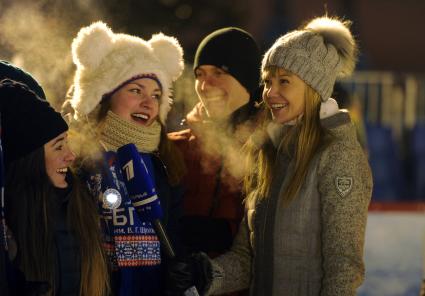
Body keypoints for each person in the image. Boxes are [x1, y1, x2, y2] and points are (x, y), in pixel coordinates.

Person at [166, 16, 373, 296]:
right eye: (267, 81)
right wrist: (206, 274)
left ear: (313, 88)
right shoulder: (268, 152)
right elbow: (247, 258)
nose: (270, 92)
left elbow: (343, 268)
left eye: (284, 81)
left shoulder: (337, 155)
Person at [66, 21, 185, 296]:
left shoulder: (165, 162)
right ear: (104, 96)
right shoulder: (77, 158)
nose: (149, 102)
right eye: (136, 90)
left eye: (156, 95)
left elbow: (176, 234)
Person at [0, 78, 109, 296]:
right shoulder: (10, 222)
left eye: (67, 143)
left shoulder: (80, 204)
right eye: (58, 147)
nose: (71, 156)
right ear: (28, 159)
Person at [168, 27, 262, 256]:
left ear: (246, 79)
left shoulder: (271, 148)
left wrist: (228, 231)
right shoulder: (174, 147)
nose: (205, 85)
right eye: (200, 74)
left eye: (219, 73)